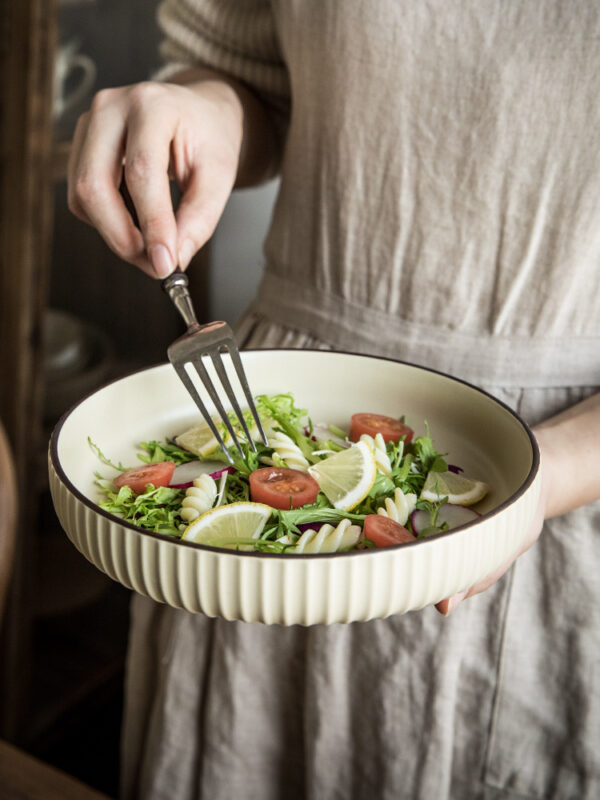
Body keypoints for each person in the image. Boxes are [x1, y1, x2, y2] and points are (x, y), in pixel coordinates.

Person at [67, 2, 600, 798]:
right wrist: (203, 106)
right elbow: (246, 73)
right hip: (271, 421)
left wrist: (546, 474)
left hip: (560, 465)